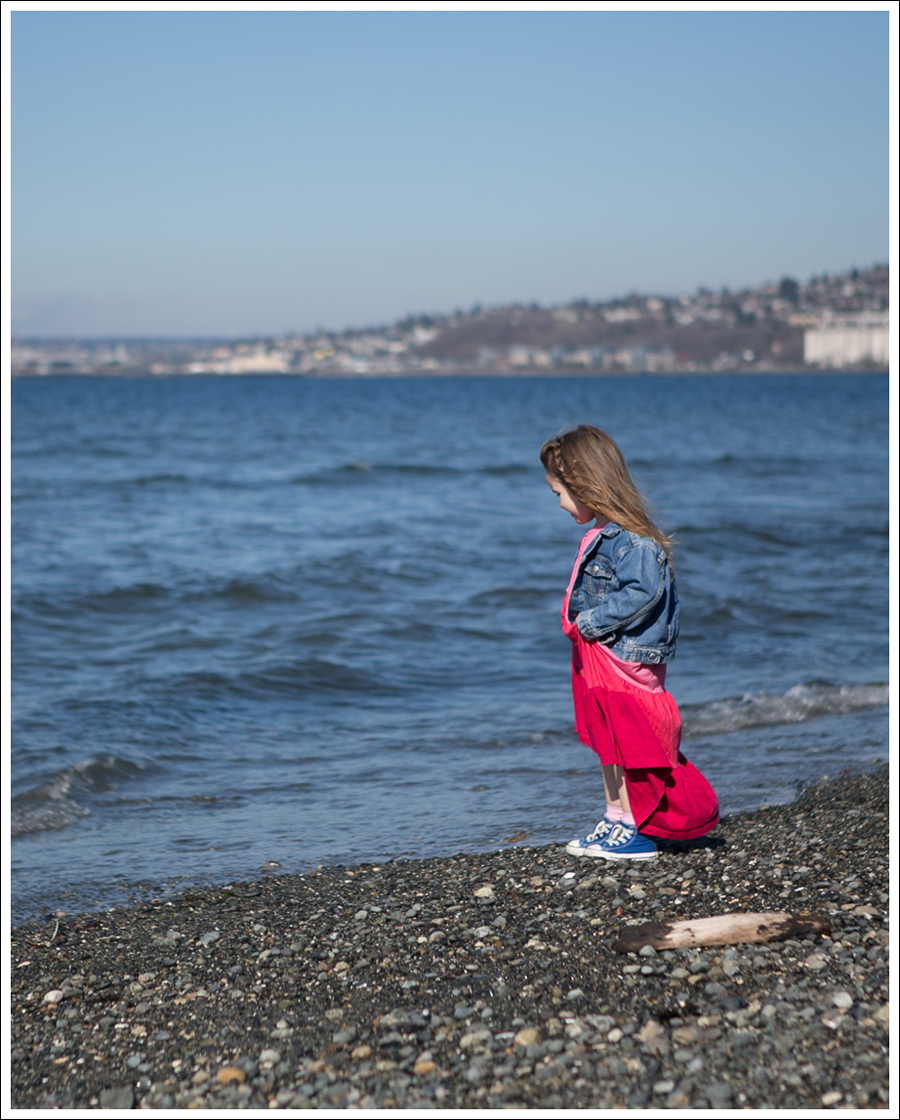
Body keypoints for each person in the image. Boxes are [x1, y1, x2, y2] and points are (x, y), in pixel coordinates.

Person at [541, 425, 718, 861]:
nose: (559, 503)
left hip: (623, 655)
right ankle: (615, 816)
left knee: (624, 737)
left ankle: (634, 825)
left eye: (559, 492)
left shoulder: (631, 540)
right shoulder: (606, 532)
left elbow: (643, 591)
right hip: (605, 652)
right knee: (607, 736)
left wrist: (590, 623)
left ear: (585, 485)